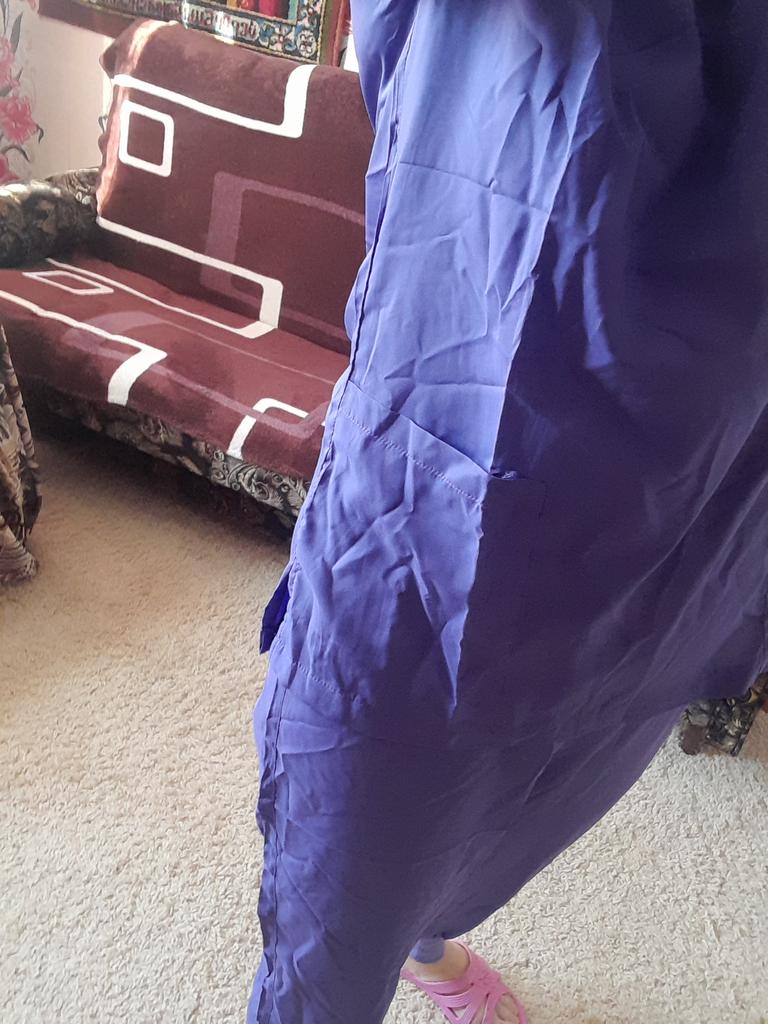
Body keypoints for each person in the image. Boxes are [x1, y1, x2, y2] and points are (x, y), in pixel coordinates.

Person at [248, 2, 768, 1021]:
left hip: (721, 353)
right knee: (385, 702)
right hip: (517, 163)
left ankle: (418, 924)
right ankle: (341, 970)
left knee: (604, 686)